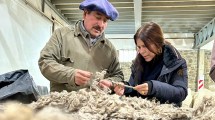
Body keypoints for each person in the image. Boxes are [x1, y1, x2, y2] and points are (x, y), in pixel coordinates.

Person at [38, 0, 124, 92]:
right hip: (62, 103)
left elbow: (118, 75)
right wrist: (71, 75)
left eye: (105, 21)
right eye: (98, 17)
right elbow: (45, 62)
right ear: (85, 14)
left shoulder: (109, 49)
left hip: (96, 105)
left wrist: (111, 83)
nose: (101, 25)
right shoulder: (61, 35)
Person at [99, 22, 188, 106]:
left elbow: (181, 93)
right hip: (143, 112)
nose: (141, 51)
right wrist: (123, 88)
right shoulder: (138, 64)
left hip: (166, 114)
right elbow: (133, 87)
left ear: (158, 43)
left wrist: (153, 87)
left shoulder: (176, 63)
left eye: (145, 46)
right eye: (139, 47)